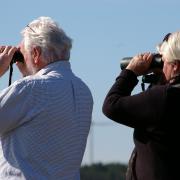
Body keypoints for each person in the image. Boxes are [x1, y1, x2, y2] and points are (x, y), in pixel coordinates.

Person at [0, 16, 93, 179]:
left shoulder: (30, 89)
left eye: (21, 53)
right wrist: (27, 72)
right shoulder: (83, 91)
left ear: (35, 53)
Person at [102, 32, 180, 180]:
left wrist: (130, 73)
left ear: (175, 66)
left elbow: (111, 106)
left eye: (163, 61)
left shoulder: (164, 98)